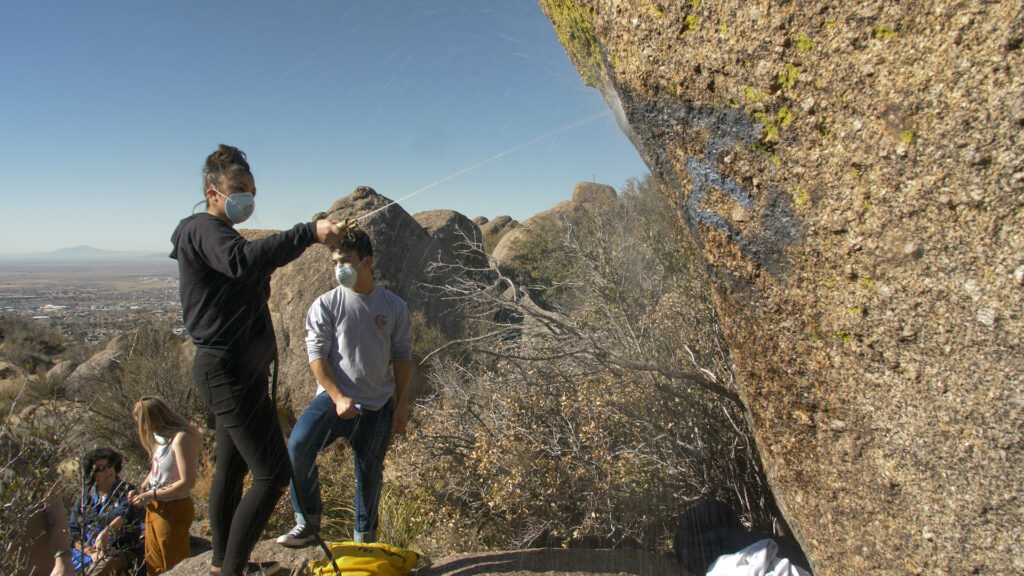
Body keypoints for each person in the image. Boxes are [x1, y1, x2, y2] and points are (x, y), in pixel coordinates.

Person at [169, 144, 353, 576]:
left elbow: (244, 268)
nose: (247, 198)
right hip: (227, 370)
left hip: (237, 370)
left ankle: (222, 563)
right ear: (213, 191)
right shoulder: (204, 229)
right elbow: (242, 261)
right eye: (238, 189)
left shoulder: (216, 234)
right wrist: (308, 232)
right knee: (272, 474)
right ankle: (231, 570)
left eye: (252, 190)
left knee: (232, 467)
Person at [277, 228, 412, 547]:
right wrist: (338, 397)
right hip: (333, 401)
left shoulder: (394, 306)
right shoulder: (325, 305)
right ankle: (307, 522)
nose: (340, 268)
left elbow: (402, 356)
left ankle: (365, 542)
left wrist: (402, 403)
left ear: (368, 262)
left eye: (346, 261)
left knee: (369, 478)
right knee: (298, 446)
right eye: (335, 262)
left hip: (378, 407)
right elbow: (316, 357)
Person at [127, 397, 200, 575]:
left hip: (173, 509)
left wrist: (152, 494)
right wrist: (142, 489)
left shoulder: (181, 439)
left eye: (142, 423)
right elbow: (157, 470)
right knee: (154, 563)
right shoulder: (159, 438)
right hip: (154, 508)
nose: (142, 428)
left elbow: (187, 482)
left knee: (173, 564)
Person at [69, 448, 143, 576]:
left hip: (119, 550)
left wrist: (106, 533)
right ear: (93, 474)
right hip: (86, 551)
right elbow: (73, 529)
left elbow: (125, 514)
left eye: (109, 466)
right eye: (100, 469)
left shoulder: (127, 490)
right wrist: (90, 552)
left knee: (98, 570)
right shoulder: (86, 496)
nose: (107, 471)